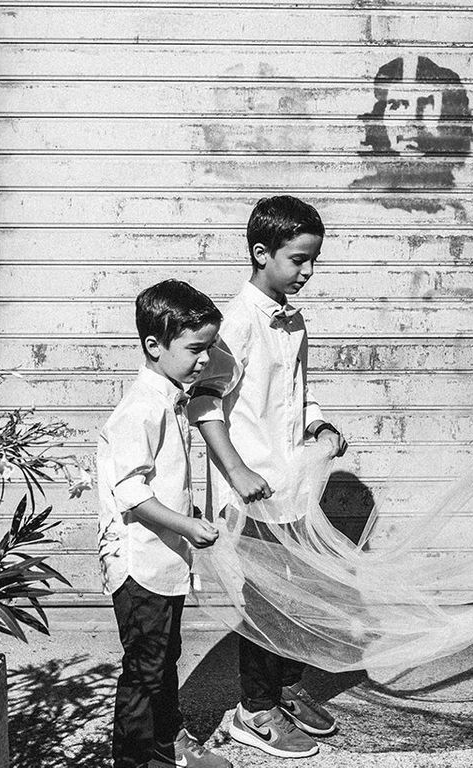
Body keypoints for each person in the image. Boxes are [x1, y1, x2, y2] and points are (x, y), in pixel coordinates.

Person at [187, 196, 348, 759]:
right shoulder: (236, 321)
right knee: (263, 599)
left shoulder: (294, 320)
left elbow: (298, 392)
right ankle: (254, 710)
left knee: (296, 590)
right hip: (253, 491)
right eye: (299, 259)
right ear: (261, 253)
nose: (308, 271)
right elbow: (204, 401)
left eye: (314, 260)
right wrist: (235, 469)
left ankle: (285, 687)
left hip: (292, 484)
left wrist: (319, 424)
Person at [97, 279, 232, 768]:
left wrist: (186, 518)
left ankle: (166, 745)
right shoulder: (141, 407)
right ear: (154, 346)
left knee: (163, 657)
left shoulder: (171, 398)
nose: (205, 359)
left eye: (209, 348)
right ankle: (133, 760)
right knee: (144, 671)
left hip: (165, 561)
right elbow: (131, 493)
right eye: (195, 349)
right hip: (140, 567)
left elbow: (164, 479)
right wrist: (188, 526)